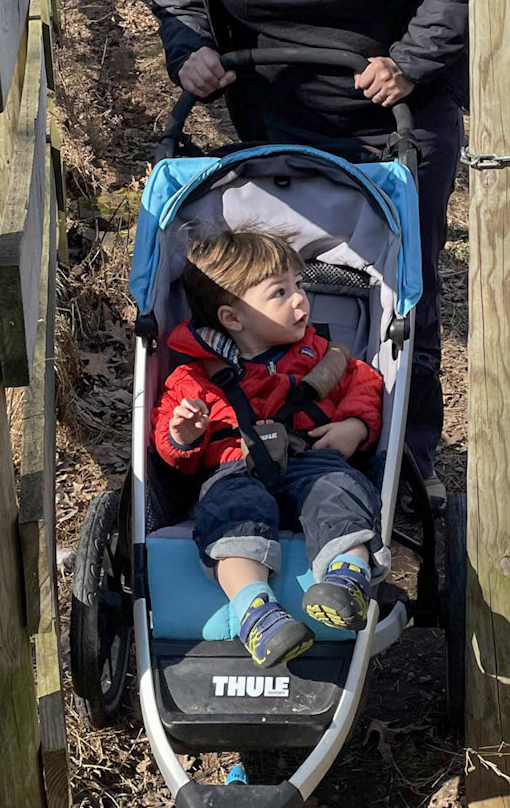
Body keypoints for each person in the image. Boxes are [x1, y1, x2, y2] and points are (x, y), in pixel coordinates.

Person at [125, 0, 468, 506]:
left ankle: (398, 492)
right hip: (272, 129)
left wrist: (413, 61)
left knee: (400, 312)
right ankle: (254, 465)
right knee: (263, 302)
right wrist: (188, 52)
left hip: (394, 124)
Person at [153, 227, 389, 669]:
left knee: (340, 487)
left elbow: (366, 382)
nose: (301, 299)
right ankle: (256, 612)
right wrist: (184, 435)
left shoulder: (321, 356)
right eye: (280, 292)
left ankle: (346, 580)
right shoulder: (194, 380)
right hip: (234, 469)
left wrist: (355, 426)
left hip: (309, 460)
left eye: (299, 286)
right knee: (230, 513)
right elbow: (170, 446)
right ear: (233, 318)